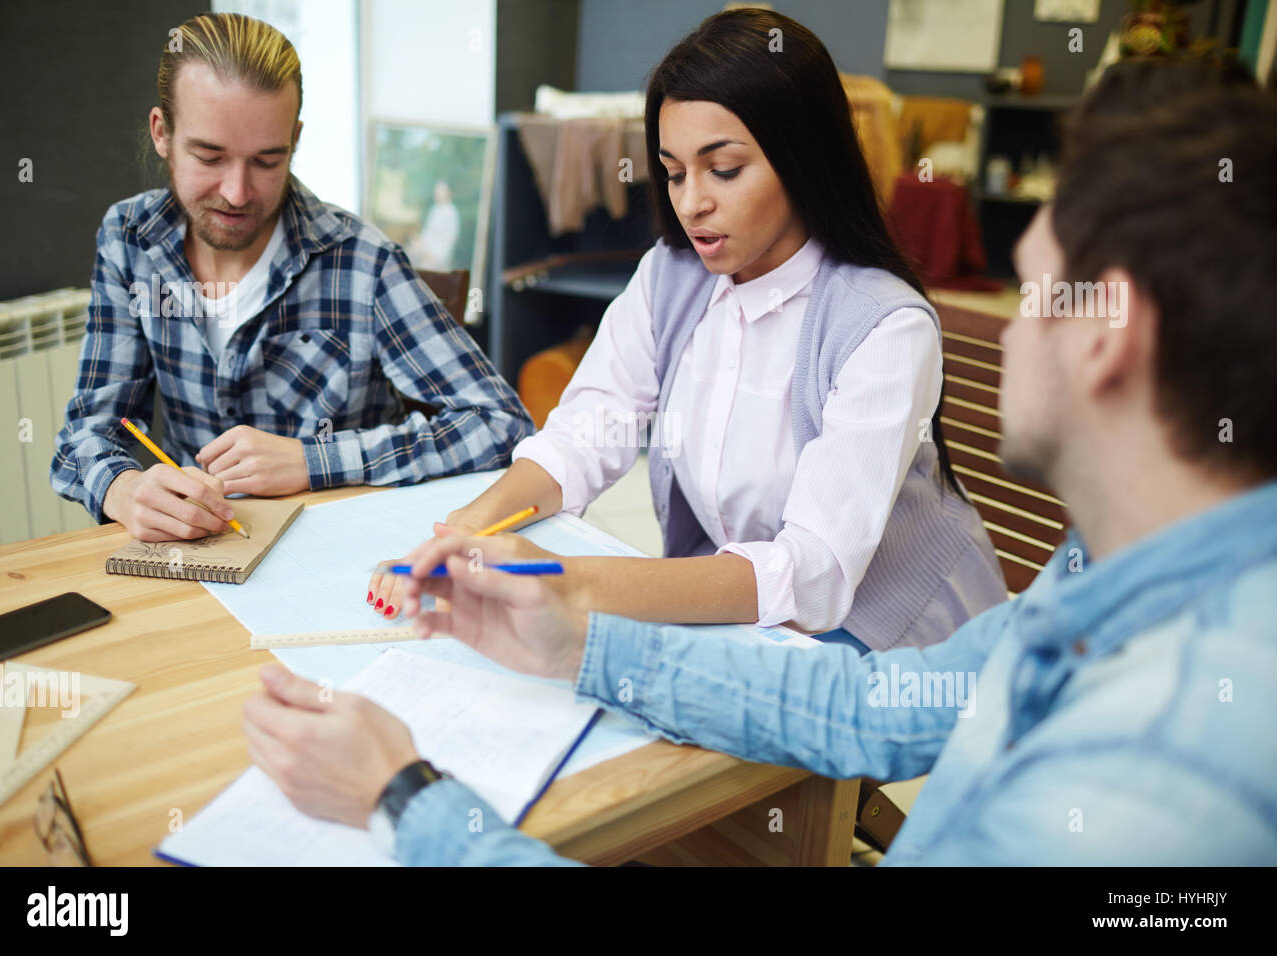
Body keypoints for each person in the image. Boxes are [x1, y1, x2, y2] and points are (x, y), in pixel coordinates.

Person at [244, 55, 1277, 865]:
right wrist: (571, 635)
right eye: (675, 170)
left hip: (864, 619)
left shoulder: (1161, 771)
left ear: (1105, 333)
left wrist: (406, 800)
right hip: (814, 656)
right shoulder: (1093, 576)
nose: (1004, 329)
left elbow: (822, 596)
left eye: (1032, 287)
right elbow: (871, 712)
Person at [367, 9, 1005, 652]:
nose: (691, 201)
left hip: (895, 637)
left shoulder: (883, 327)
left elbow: (813, 577)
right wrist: (466, 528)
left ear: (802, 159)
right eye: (673, 172)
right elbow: (587, 433)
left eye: (723, 169)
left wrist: (571, 584)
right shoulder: (672, 277)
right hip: (757, 615)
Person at [51, 13, 532, 542]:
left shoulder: (360, 260)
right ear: (162, 133)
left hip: (343, 550)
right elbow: (89, 432)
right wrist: (122, 488)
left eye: (266, 161)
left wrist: (314, 460)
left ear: (295, 140)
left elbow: (501, 424)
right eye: (209, 156)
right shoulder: (129, 236)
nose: (236, 192)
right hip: (200, 556)